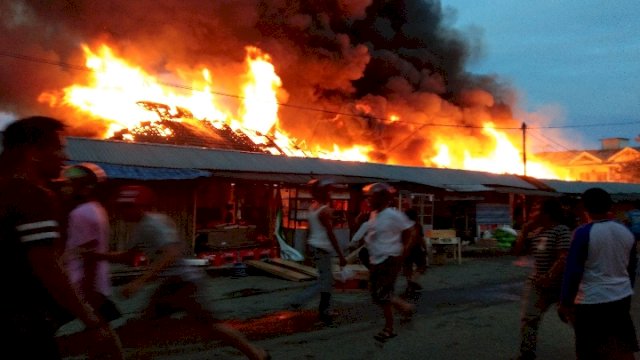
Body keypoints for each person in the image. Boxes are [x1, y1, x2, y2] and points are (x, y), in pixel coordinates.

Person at [0, 116, 123, 359]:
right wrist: (91, 320)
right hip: (20, 320)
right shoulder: (29, 194)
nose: (65, 157)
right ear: (33, 152)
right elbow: (46, 264)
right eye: (59, 149)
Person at [114, 185, 270, 360]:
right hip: (171, 284)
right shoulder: (142, 228)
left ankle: (255, 353)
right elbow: (128, 257)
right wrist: (94, 256)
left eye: (125, 207)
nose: (122, 212)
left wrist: (139, 282)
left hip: (184, 282)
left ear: (138, 206)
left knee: (210, 326)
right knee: (148, 325)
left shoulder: (153, 224)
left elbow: (171, 253)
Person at [559, 188, 638, 360]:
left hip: (591, 301)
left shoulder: (582, 233)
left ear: (584, 207)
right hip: (621, 297)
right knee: (622, 346)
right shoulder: (626, 231)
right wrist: (625, 289)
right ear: (609, 205)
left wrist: (565, 302)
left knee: (589, 350)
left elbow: (573, 272)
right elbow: (632, 267)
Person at [354, 182, 416, 343]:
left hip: (390, 259)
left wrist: (403, 252)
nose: (368, 200)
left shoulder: (393, 215)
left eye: (371, 197)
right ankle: (405, 307)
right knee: (376, 294)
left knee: (383, 295)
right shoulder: (374, 214)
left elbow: (410, 232)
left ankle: (389, 329)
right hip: (376, 258)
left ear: (382, 199)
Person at [511, 198, 572, 360]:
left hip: (560, 284)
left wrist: (549, 276)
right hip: (538, 283)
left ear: (546, 213)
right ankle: (527, 354)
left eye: (535, 210)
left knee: (574, 318)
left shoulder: (561, 230)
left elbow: (564, 256)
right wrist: (524, 231)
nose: (531, 213)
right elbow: (517, 252)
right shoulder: (537, 232)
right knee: (529, 317)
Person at [62, 163, 122, 323]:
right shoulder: (96, 209)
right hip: (92, 287)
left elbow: (89, 257)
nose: (65, 189)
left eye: (70, 184)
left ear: (85, 188)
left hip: (81, 288)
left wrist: (88, 298)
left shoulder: (80, 214)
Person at [288, 178, 347, 325]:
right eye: (329, 191)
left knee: (327, 280)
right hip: (322, 249)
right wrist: (340, 255)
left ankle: (325, 310)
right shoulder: (324, 210)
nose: (331, 194)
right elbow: (330, 234)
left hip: (315, 247)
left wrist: (306, 249)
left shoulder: (313, 207)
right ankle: (299, 300)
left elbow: (309, 230)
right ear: (324, 192)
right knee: (325, 281)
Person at [402, 208, 427, 298]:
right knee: (422, 265)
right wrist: (425, 248)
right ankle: (412, 281)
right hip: (416, 248)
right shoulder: (417, 226)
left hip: (405, 249)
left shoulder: (402, 226)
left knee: (407, 267)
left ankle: (409, 283)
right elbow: (421, 238)